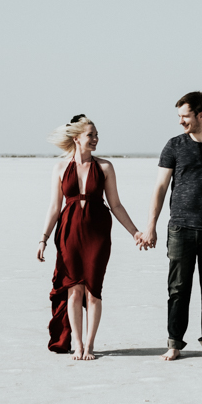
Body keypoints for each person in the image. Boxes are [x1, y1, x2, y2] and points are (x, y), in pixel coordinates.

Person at [139, 92, 202, 362]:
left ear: (201, 114)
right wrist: (151, 225)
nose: (181, 121)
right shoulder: (174, 145)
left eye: (185, 116)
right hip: (180, 228)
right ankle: (174, 343)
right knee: (178, 288)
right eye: (179, 116)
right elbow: (160, 187)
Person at [37, 115, 143, 360]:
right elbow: (54, 207)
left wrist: (134, 232)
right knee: (74, 289)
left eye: (96, 135)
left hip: (97, 233)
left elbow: (115, 205)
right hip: (69, 232)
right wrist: (43, 238)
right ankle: (77, 342)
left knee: (93, 289)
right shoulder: (61, 168)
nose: (95, 139)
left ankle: (91, 344)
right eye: (91, 135)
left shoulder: (105, 167)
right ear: (77, 138)